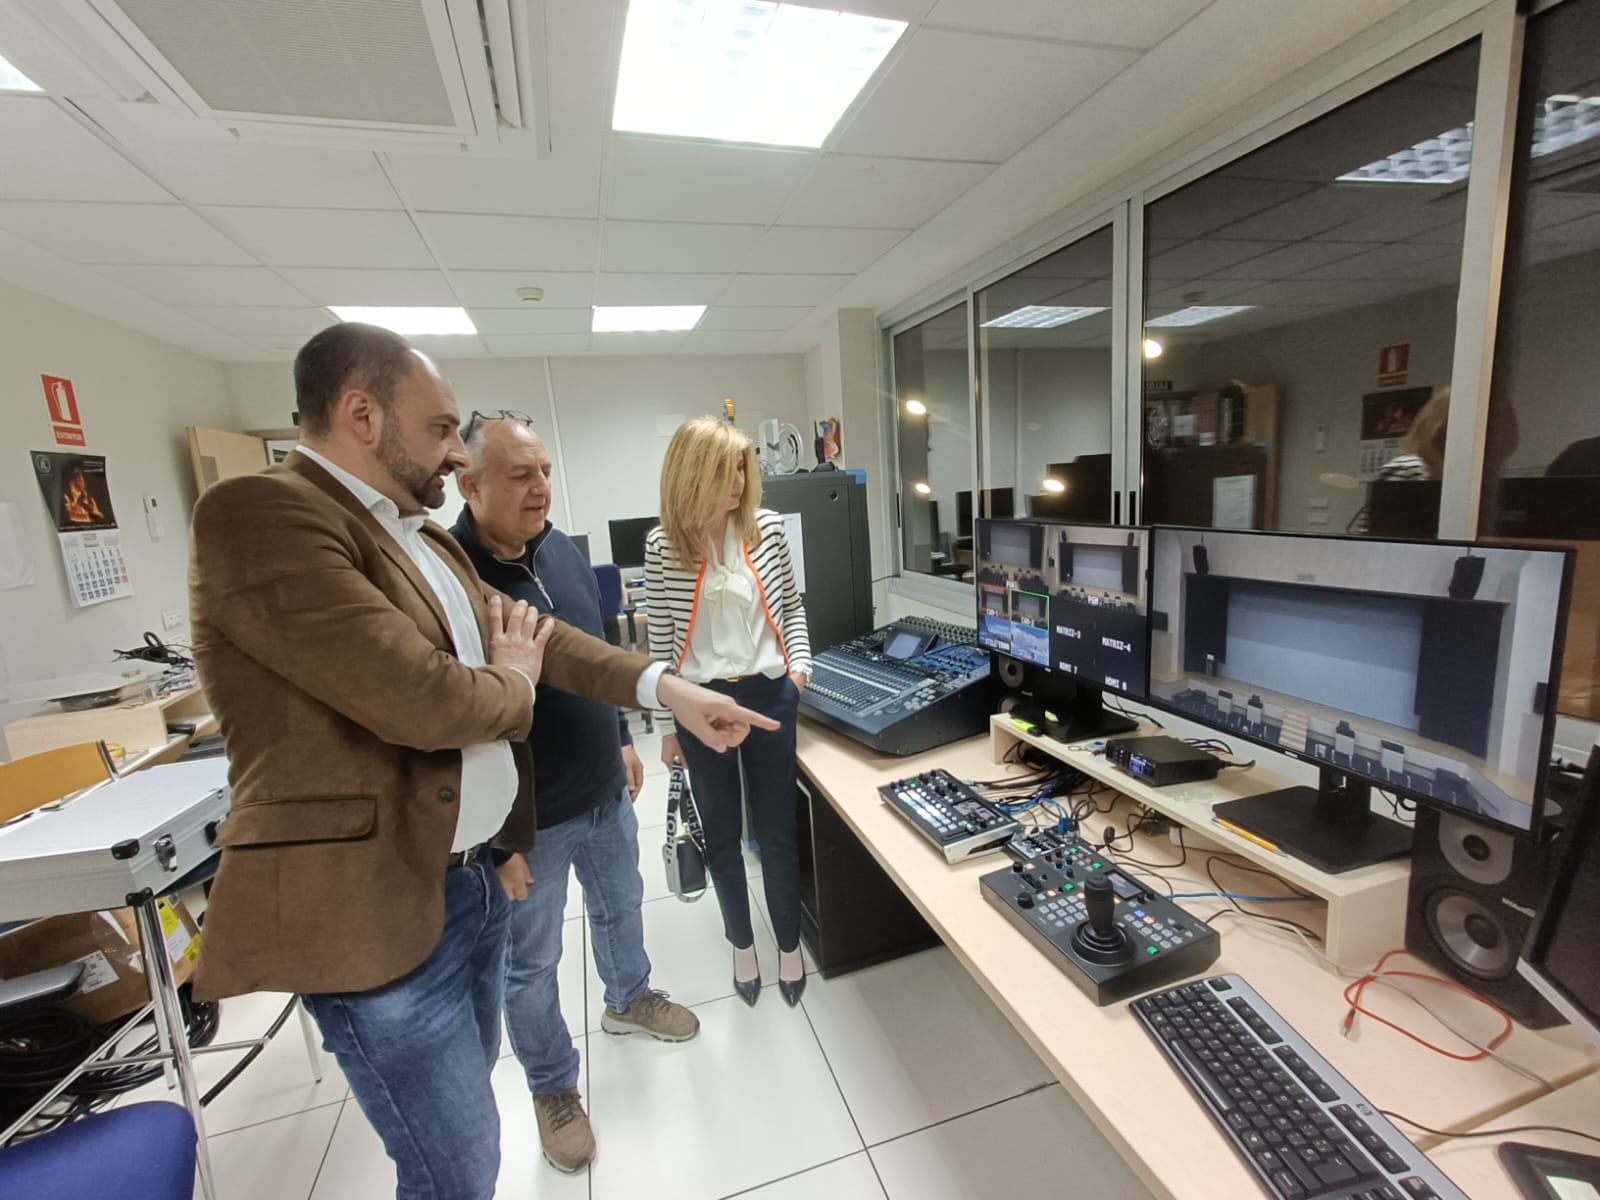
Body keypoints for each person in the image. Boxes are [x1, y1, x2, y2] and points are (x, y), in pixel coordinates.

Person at [187, 323, 776, 1200]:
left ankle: (619, 1005)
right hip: (372, 908)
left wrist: (667, 689)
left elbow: (544, 639)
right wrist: (513, 682)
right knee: (455, 1159)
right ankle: (554, 1090)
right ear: (360, 413)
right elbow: (424, 697)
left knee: (470, 1131)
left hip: (464, 876)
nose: (455, 453)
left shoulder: (417, 538)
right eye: (440, 429)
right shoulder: (265, 513)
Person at [450, 414, 697, 1174]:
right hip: (528, 822)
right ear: (469, 483)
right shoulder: (452, 577)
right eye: (520, 476)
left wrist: (622, 736)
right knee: (532, 963)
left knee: (622, 903)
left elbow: (596, 657)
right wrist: (494, 843)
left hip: (602, 790)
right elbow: (455, 723)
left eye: (545, 471)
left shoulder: (559, 547)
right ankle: (553, 1088)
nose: (540, 489)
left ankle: (628, 997)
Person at [644, 416, 812, 1007]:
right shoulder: (662, 545)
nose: (738, 480)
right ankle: (742, 943)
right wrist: (667, 726)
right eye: (724, 469)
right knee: (720, 832)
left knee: (776, 830)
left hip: (769, 695)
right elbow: (661, 642)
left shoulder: (767, 530)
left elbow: (792, 609)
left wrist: (798, 671)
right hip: (702, 703)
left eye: (742, 467)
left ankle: (789, 946)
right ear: (692, 476)